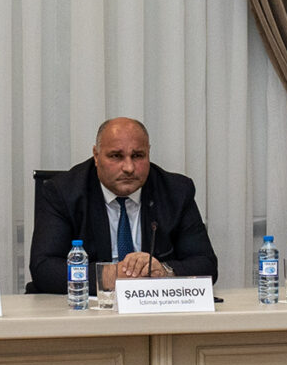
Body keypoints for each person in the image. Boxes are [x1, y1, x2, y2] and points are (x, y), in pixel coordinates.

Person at [27, 117, 218, 294]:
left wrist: (164, 271)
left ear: (148, 153)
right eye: (116, 156)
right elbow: (44, 268)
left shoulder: (176, 191)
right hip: (83, 307)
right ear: (96, 156)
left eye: (138, 155)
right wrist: (111, 275)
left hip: (151, 306)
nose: (129, 168)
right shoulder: (63, 191)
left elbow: (206, 264)